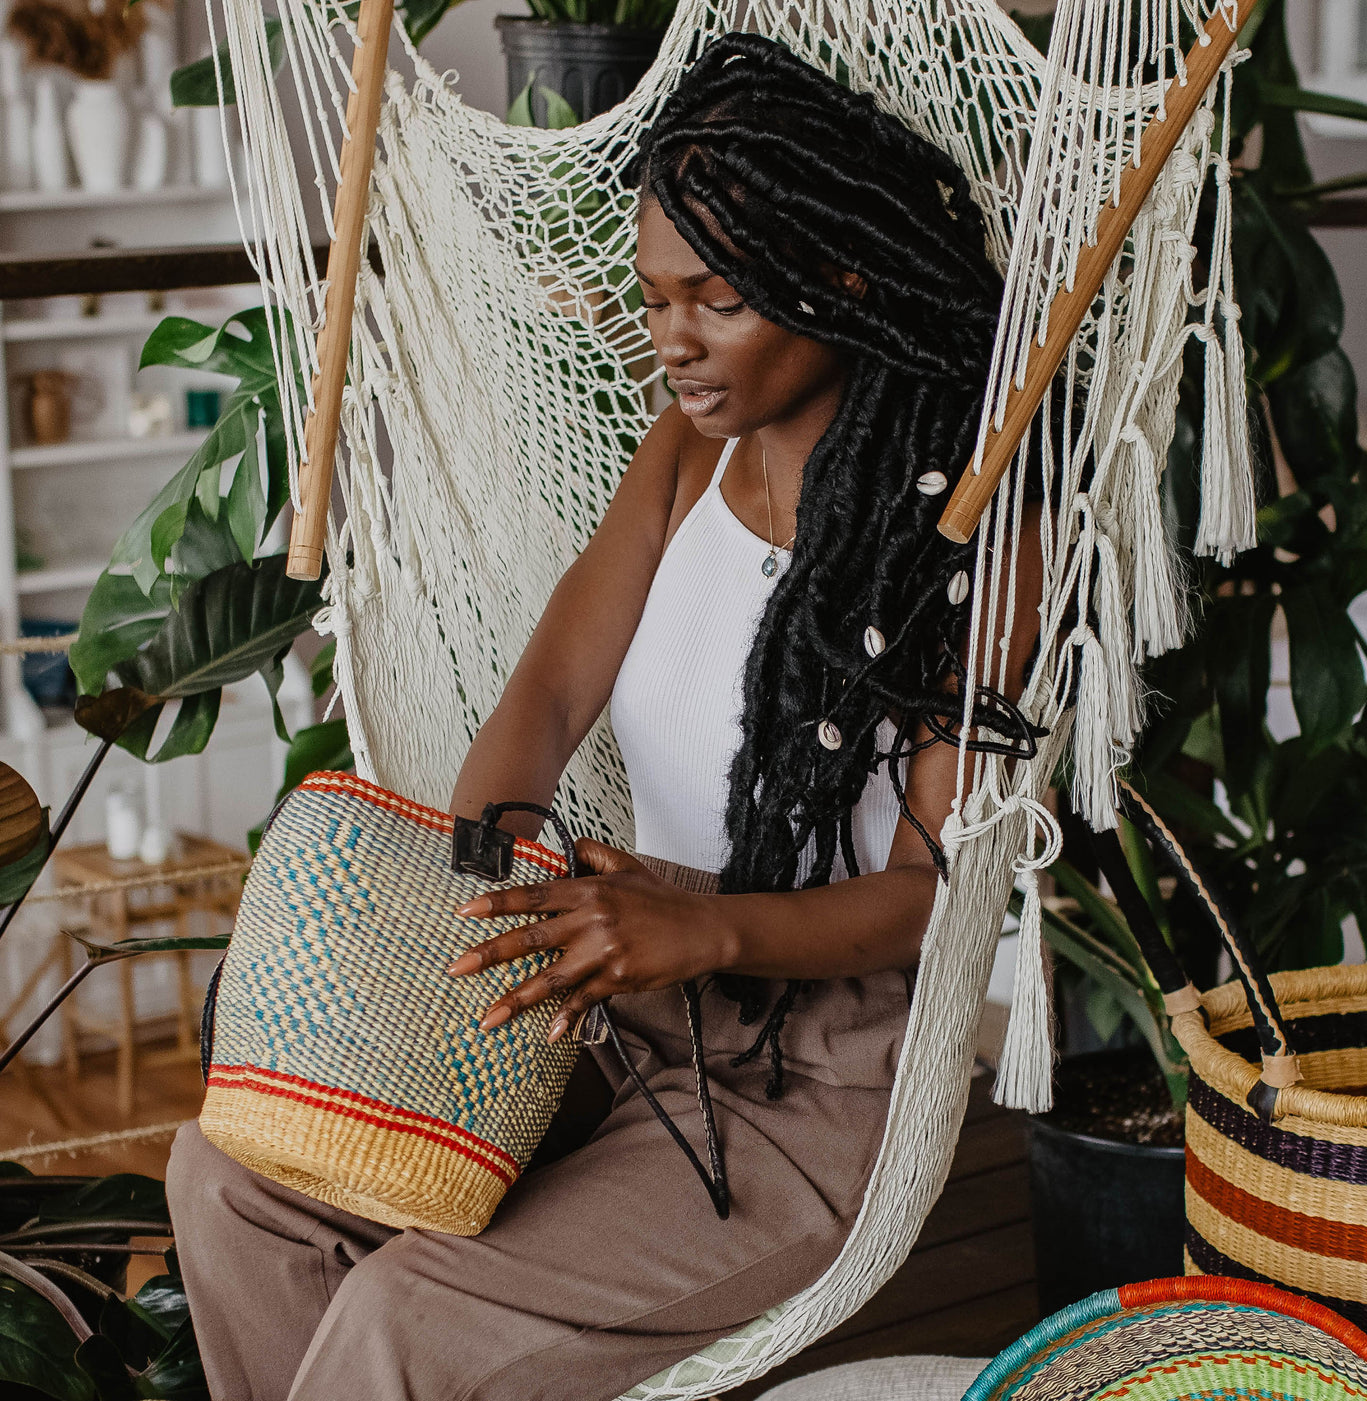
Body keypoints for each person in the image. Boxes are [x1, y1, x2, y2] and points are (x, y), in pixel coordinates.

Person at [165, 31, 1046, 1401]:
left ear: (840, 277)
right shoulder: (689, 445)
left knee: (406, 1322)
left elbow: (937, 891)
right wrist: (459, 898)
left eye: (718, 299)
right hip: (609, 1007)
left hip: (806, 1093)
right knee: (235, 1178)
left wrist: (709, 922)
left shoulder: (972, 536)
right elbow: (554, 687)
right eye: (653, 300)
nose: (674, 340)